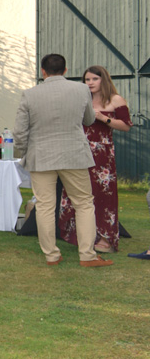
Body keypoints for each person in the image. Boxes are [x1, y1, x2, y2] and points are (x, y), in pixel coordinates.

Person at [14, 54, 109, 267]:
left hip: (41, 155)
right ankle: (87, 255)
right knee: (84, 204)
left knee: (46, 205)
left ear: (43, 71)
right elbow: (89, 119)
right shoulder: (81, 89)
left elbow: (20, 132)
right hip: (73, 154)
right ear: (66, 70)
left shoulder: (29, 94)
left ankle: (51, 255)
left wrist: (23, 151)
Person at [54, 65, 129, 254]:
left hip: (102, 155)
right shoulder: (81, 99)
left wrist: (104, 118)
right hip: (78, 151)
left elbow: (126, 125)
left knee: (103, 195)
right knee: (77, 193)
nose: (90, 83)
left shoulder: (115, 99)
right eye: (87, 80)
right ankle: (81, 235)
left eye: (94, 79)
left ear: (103, 80)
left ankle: (105, 238)